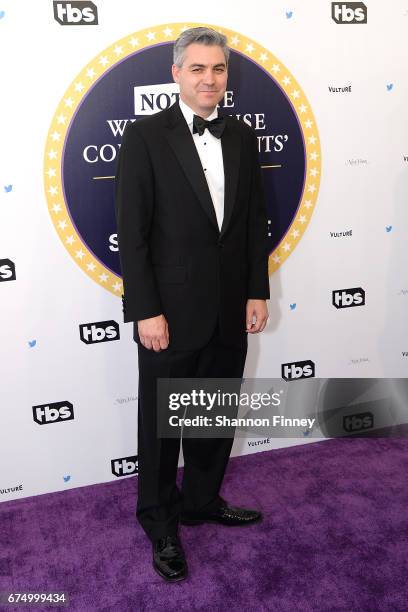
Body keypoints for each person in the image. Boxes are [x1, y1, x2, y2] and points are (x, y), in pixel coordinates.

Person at [115, 26, 270, 582]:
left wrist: (257, 289)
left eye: (219, 69)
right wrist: (144, 309)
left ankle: (202, 500)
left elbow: (253, 224)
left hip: (230, 306)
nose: (210, 79)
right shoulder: (145, 137)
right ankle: (159, 521)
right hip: (169, 312)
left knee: (212, 412)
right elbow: (131, 235)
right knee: (161, 425)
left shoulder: (244, 136)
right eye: (199, 69)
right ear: (177, 73)